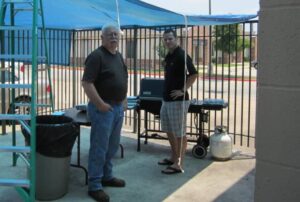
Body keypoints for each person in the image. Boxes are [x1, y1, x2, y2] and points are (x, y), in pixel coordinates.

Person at [81, 24, 128, 202]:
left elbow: (124, 77)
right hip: (103, 108)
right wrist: (100, 104)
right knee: (99, 147)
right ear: (102, 37)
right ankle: (94, 185)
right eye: (110, 34)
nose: (114, 37)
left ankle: (107, 176)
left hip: (117, 108)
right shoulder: (96, 56)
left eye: (116, 34)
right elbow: (87, 83)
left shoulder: (119, 56)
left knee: (112, 146)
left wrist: (124, 99)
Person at [159, 29, 198, 174]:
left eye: (170, 39)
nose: (168, 41)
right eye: (165, 39)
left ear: (177, 40)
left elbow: (193, 74)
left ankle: (178, 164)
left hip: (178, 101)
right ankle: (173, 157)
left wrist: (183, 89)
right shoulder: (170, 55)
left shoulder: (182, 55)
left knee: (180, 132)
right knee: (168, 130)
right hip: (166, 99)